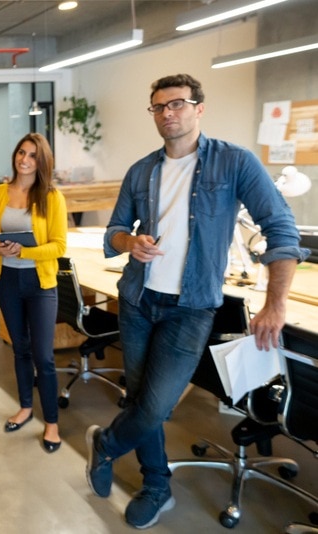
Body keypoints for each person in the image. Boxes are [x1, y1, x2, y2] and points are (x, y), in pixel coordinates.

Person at [85, 73, 307, 529]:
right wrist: (131, 242)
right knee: (139, 399)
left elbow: (282, 230)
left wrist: (275, 302)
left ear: (198, 108)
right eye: (160, 107)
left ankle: (105, 445)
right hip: (138, 299)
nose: (169, 113)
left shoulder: (234, 163)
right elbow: (111, 235)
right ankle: (156, 484)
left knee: (154, 406)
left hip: (191, 308)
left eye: (178, 104)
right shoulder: (142, 170)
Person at [0, 133, 67, 453]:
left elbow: (59, 246)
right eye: (21, 152)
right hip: (6, 280)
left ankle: (52, 423)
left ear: (42, 161)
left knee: (44, 357)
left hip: (40, 284)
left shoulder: (52, 197)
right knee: (19, 348)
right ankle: (24, 406)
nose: (25, 160)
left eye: (33, 155)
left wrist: (24, 252)